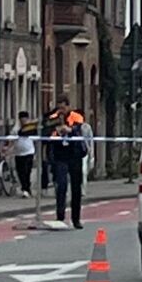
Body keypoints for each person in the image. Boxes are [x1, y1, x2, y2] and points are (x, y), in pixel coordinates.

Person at [48, 98, 86, 229]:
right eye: (59, 108)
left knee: (76, 188)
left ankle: (76, 219)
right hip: (60, 156)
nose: (61, 111)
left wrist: (70, 130)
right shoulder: (54, 117)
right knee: (61, 186)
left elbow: (79, 129)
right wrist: (56, 132)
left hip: (74, 155)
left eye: (63, 108)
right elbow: (48, 131)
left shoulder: (77, 116)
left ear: (69, 106)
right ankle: (60, 216)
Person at [5, 111, 37, 198]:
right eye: (22, 119)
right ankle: (25, 188)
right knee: (20, 172)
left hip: (29, 152)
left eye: (25, 119)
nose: (23, 121)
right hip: (18, 153)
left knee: (27, 171)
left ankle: (26, 189)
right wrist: (8, 149)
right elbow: (12, 140)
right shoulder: (16, 129)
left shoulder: (30, 127)